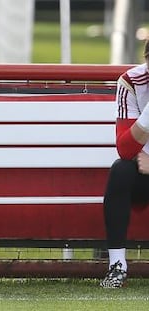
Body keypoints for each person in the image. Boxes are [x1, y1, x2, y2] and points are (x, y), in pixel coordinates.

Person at [100, 40, 149, 288]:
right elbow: (125, 148)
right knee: (120, 170)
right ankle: (117, 265)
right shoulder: (131, 81)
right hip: (142, 171)